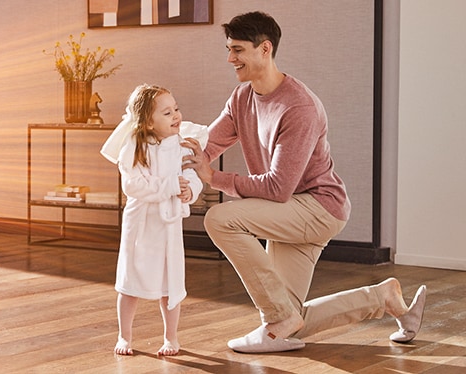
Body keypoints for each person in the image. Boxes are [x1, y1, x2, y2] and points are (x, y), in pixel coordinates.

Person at [180, 11, 427, 354]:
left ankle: (278, 319)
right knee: (288, 319)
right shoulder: (242, 98)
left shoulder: (299, 107)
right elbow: (206, 146)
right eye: (228, 49)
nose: (230, 58)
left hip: (317, 207)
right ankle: (384, 298)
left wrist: (214, 178)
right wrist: (161, 156)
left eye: (237, 50)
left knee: (219, 218)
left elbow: (278, 188)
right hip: (288, 210)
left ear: (264, 49)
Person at [100, 84, 204, 356]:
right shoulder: (134, 148)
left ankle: (171, 338)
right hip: (141, 224)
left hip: (169, 226)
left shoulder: (182, 146)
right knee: (130, 280)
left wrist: (189, 190)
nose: (176, 116)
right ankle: (125, 336)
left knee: (171, 283)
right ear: (148, 121)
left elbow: (192, 177)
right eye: (167, 112)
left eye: (176, 109)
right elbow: (134, 186)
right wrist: (170, 186)